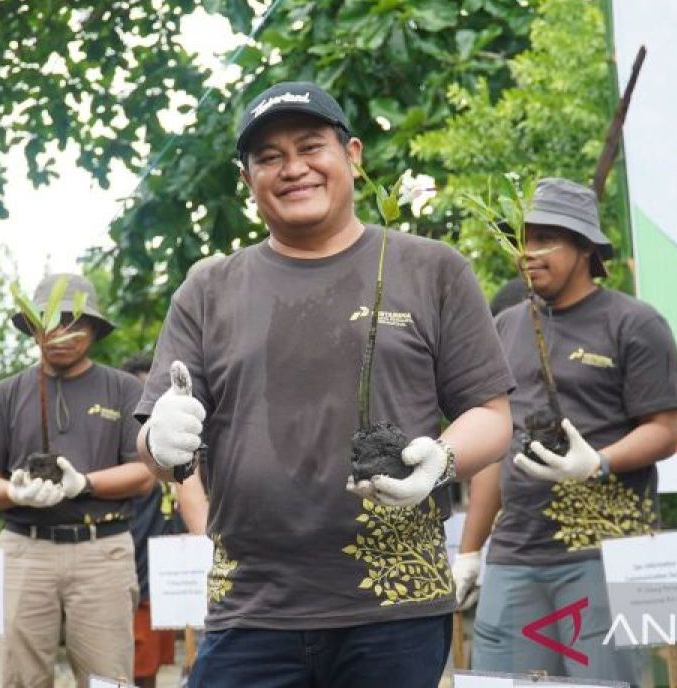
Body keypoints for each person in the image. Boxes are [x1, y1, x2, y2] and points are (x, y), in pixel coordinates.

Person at [134, 81, 515, 687]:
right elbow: (155, 441)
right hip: (253, 607)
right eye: (269, 158)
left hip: (395, 604)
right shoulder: (209, 288)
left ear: (353, 155)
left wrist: (440, 460)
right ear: (247, 178)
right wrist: (161, 440)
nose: (293, 169)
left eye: (311, 147)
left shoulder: (432, 269)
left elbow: (492, 417)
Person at [453, 178, 677, 683]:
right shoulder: (505, 326)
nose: (528, 253)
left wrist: (599, 462)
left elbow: (664, 430)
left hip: (603, 553)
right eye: (523, 239)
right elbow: (497, 449)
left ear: (584, 248)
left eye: (544, 240)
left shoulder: (635, 324)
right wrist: (470, 551)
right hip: (515, 552)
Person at [0, 273, 154, 688]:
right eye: (52, 321)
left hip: (102, 549)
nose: (62, 333)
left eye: (76, 322)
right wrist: (14, 492)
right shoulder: (5, 394)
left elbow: (144, 474)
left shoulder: (123, 389)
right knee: (20, 678)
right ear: (33, 327)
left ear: (94, 329)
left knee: (110, 679)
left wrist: (84, 484)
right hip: (24, 550)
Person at [121, 353, 181, 688]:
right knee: (126, 671)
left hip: (170, 579)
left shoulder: (178, 443)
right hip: (132, 580)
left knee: (154, 670)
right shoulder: (124, 452)